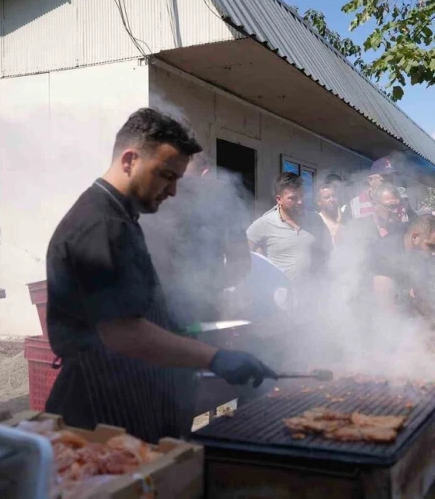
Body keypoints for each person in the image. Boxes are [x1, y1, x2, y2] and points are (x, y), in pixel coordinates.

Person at [45, 108, 275, 443]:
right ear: (129, 160)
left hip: (132, 398)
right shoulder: (101, 225)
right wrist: (213, 357)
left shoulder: (122, 217)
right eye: (166, 175)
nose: (173, 191)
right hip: (101, 411)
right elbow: (123, 332)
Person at [141, 153, 251, 326]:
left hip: (198, 311)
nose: (175, 189)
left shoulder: (222, 202)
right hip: (156, 312)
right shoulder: (151, 201)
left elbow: (241, 262)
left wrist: (206, 288)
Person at [247, 172, 331, 284]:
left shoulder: (315, 219)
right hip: (280, 296)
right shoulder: (264, 223)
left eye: (301, 196)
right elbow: (242, 254)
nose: (300, 202)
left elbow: (327, 252)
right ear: (279, 199)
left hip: (313, 294)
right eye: (293, 198)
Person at [370, 215, 435, 321]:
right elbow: (386, 310)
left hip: (393, 305)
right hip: (363, 316)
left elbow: (421, 296)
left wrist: (434, 322)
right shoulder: (385, 254)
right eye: (432, 246)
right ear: (415, 238)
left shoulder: (418, 252)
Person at [341, 183, 408, 251]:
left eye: (400, 206)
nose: (397, 211)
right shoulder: (357, 229)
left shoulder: (404, 231)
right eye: (391, 206)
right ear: (375, 204)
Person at [346, 157, 416, 222]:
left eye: (391, 180)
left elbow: (415, 225)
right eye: (384, 180)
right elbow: (343, 232)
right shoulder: (354, 205)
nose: (389, 185)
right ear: (370, 180)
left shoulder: (402, 202)